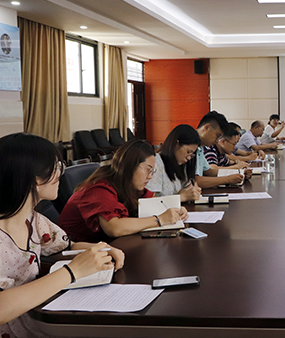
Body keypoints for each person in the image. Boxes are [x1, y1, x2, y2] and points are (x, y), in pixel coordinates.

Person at [0, 133, 124, 335]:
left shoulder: (34, 221)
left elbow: (68, 246)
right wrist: (72, 272)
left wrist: (101, 250)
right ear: (35, 179)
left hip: (37, 323)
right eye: (56, 167)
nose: (61, 174)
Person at [59, 140, 188, 242]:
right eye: (148, 170)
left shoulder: (126, 183)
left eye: (152, 171)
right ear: (130, 166)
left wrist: (174, 208)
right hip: (73, 250)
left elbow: (152, 201)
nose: (150, 176)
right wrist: (159, 219)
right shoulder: (99, 188)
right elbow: (114, 228)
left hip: (104, 246)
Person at [146, 124, 202, 202]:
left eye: (192, 154)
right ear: (176, 144)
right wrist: (181, 197)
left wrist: (192, 189)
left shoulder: (181, 164)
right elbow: (148, 201)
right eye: (188, 152)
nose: (189, 158)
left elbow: (188, 185)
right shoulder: (156, 163)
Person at [195, 111, 245, 188]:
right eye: (217, 135)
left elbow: (209, 171)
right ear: (207, 127)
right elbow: (195, 181)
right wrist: (227, 179)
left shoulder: (200, 147)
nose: (216, 141)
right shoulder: (190, 145)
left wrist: (238, 173)